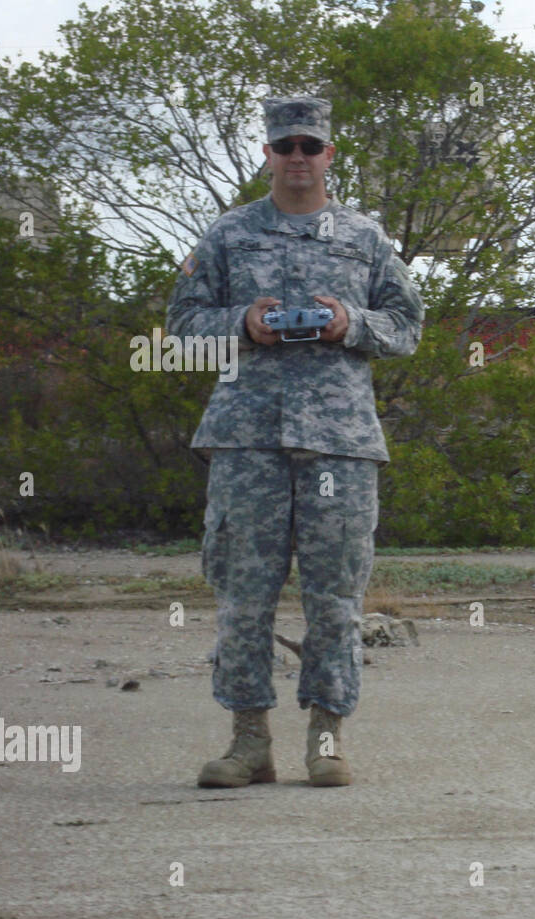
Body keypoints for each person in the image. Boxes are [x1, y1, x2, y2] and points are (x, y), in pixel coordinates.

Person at [167, 95, 423, 787]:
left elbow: (407, 324)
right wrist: (243, 322)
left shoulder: (365, 238)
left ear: (329, 154)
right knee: (243, 595)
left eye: (311, 145)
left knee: (336, 597)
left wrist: (351, 323)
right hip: (247, 439)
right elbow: (183, 325)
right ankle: (249, 742)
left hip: (340, 442)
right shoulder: (229, 234)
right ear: (268, 154)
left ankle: (327, 738)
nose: (299, 158)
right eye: (287, 146)